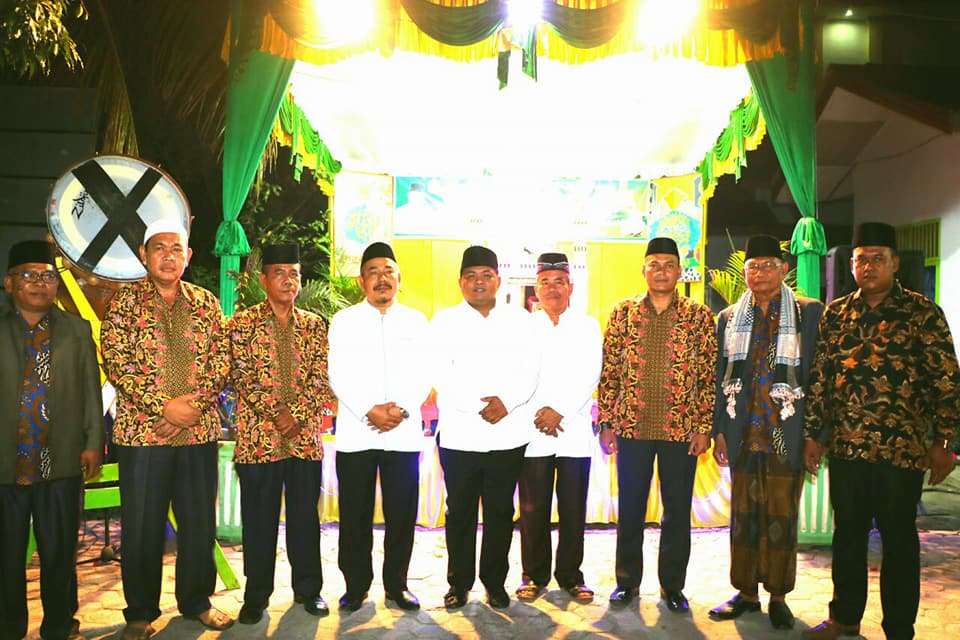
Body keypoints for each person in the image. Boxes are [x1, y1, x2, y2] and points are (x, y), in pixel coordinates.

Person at [802, 222, 959, 640]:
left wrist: (944, 442)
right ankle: (844, 618)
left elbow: (946, 380)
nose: (868, 267)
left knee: (899, 541)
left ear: (894, 263)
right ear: (851, 265)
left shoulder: (923, 314)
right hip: (848, 448)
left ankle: (899, 628)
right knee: (848, 537)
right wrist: (814, 435)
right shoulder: (837, 314)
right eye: (860, 260)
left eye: (877, 259)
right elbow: (821, 379)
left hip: (901, 451)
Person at [100, 219, 232, 640]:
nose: (169, 256)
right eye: (160, 248)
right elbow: (116, 361)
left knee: (198, 523)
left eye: (177, 249)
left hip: (198, 431)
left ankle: (197, 602)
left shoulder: (207, 303)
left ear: (188, 256)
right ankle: (140, 612)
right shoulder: (124, 304)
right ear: (144, 255)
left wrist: (191, 408)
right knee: (142, 525)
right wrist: (164, 408)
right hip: (143, 434)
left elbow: (222, 360)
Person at [708, 235, 823, 630]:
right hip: (743, 431)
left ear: (784, 270)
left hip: (784, 433)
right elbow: (719, 378)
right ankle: (746, 593)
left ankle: (778, 596)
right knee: (743, 519)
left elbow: (819, 376)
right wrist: (719, 431)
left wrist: (815, 434)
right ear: (745, 273)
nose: (760, 273)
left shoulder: (808, 313)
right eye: (753, 267)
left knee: (781, 517)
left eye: (768, 266)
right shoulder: (729, 318)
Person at [597, 236, 716, 612]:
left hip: (681, 429)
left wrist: (703, 426)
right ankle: (627, 582)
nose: (661, 271)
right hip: (631, 427)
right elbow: (610, 371)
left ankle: (673, 586)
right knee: (630, 508)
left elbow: (707, 375)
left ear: (680, 271)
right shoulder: (623, 313)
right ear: (644, 270)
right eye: (654, 265)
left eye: (668, 265)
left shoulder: (699, 316)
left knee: (677, 511)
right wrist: (607, 422)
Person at [1, 240, 103, 640]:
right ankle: (9, 626)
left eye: (47, 276)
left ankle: (60, 625)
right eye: (29, 275)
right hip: (6, 464)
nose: (39, 283)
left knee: (60, 553)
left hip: (59, 459)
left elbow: (91, 391)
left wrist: (93, 441)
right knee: (6, 554)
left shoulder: (76, 330)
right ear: (9, 283)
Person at [229, 242, 332, 624]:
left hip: (303, 441)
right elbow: (241, 374)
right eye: (280, 274)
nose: (289, 281)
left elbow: (321, 377)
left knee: (305, 519)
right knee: (259, 522)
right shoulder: (242, 323)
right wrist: (278, 414)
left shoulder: (314, 325)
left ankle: (309, 589)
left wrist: (298, 415)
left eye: (294, 274)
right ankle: (256, 596)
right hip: (259, 440)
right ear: (263, 279)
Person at [431, 245, 539, 610]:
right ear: (460, 282)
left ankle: (495, 582)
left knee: (500, 513)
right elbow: (439, 372)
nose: (479, 282)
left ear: (498, 280)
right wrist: (479, 406)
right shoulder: (444, 322)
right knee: (459, 512)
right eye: (471, 276)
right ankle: (458, 583)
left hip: (507, 435)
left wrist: (506, 402)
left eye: (486, 276)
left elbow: (530, 370)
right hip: (460, 435)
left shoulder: (521, 321)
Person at [328, 241, 432, 612]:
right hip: (357, 434)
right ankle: (356, 587)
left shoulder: (416, 322)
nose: (382, 278)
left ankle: (397, 586)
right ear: (362, 281)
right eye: (373, 272)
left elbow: (425, 373)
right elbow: (337, 373)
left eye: (388, 271)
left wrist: (400, 410)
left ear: (399, 278)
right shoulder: (344, 321)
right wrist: (367, 410)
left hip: (402, 435)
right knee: (354, 515)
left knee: (402, 515)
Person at [515, 252, 601, 604]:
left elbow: (591, 374)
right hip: (533, 430)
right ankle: (533, 575)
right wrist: (541, 414)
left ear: (571, 287)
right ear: (536, 288)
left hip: (573, 431)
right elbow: (519, 375)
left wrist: (560, 412)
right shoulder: (523, 327)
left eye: (559, 282)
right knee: (532, 509)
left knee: (572, 510)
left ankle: (570, 575)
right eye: (545, 282)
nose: (552, 288)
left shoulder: (587, 326)